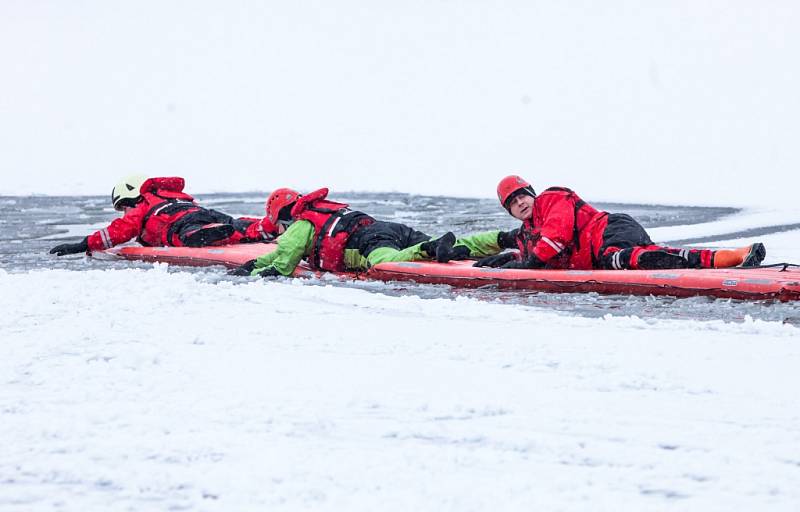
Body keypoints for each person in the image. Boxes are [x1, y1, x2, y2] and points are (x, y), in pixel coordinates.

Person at [472, 175, 766, 270]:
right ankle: (732, 256)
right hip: (602, 249)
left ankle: (734, 256)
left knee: (620, 259)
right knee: (648, 257)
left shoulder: (552, 199)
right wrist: (507, 260)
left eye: (522, 196)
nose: (519, 203)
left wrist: (524, 265)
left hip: (610, 231)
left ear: (531, 195)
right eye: (511, 203)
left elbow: (554, 239)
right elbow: (532, 254)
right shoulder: (527, 234)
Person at [228, 187, 506, 277]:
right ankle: (500, 240)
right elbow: (279, 254)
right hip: (387, 228)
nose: (279, 230)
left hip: (367, 242)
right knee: (454, 247)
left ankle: (429, 250)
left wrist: (255, 273)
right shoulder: (321, 214)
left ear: (282, 217)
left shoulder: (299, 226)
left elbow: (285, 262)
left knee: (386, 264)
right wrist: (254, 261)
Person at [49, 175, 276, 256]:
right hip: (202, 212)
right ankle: (269, 226)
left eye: (123, 208)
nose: (124, 212)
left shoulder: (143, 206)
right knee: (236, 225)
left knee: (185, 235)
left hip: (178, 224)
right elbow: (194, 209)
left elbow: (120, 231)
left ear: (131, 197)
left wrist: (84, 244)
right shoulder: (173, 195)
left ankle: (206, 234)